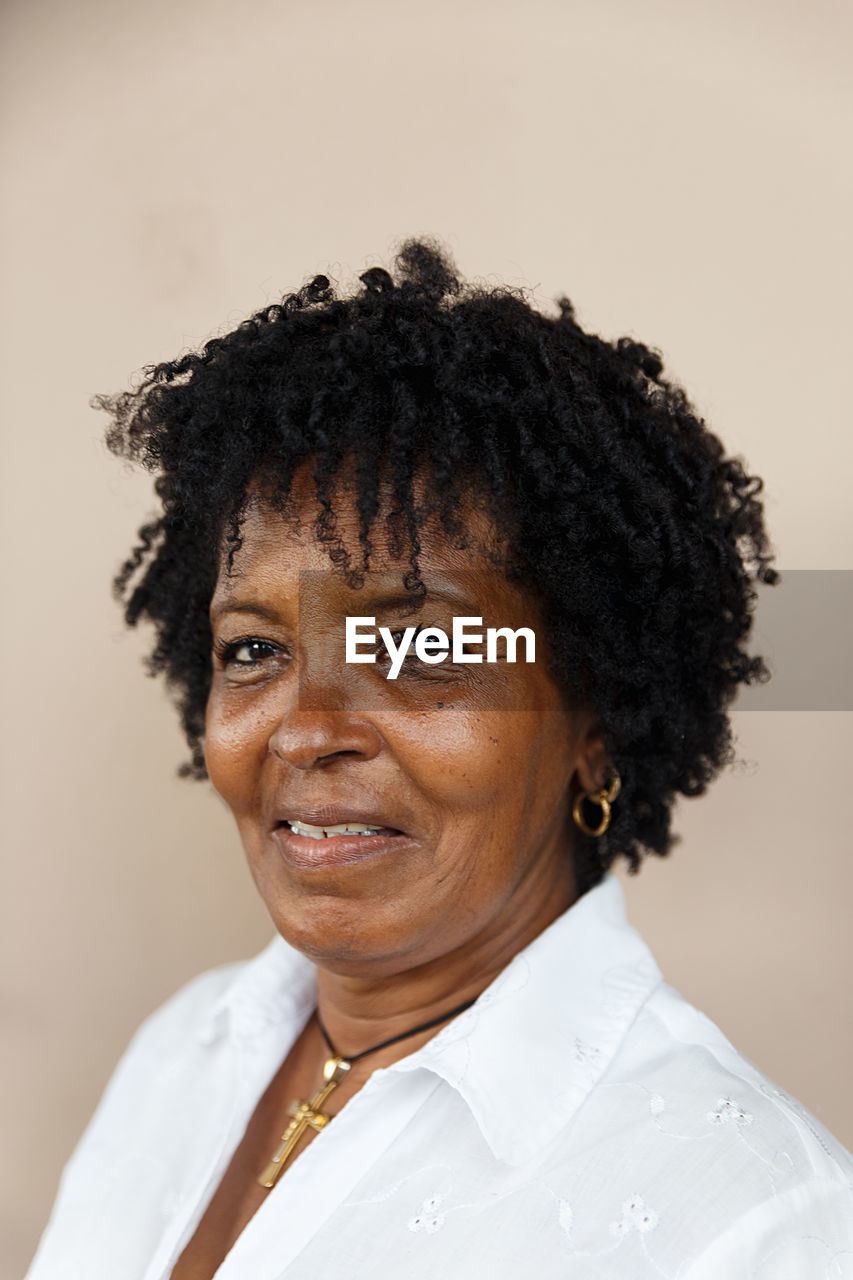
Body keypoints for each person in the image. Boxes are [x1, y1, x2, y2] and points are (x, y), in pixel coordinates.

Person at [27, 240, 853, 1279]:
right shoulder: (186, 1047)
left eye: (420, 647)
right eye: (255, 650)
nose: (304, 727)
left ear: (594, 719)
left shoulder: (749, 1220)